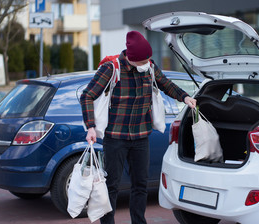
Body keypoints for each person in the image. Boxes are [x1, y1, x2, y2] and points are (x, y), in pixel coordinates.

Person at [80, 30, 196, 224]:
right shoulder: (111, 69)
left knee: (140, 184)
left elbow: (166, 84)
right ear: (131, 59)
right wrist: (90, 127)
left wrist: (185, 97)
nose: (146, 64)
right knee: (112, 186)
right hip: (115, 137)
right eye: (142, 61)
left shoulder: (149, 67)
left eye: (148, 60)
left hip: (141, 136)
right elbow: (87, 96)